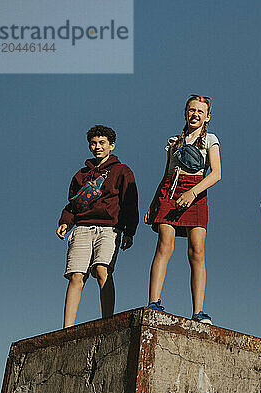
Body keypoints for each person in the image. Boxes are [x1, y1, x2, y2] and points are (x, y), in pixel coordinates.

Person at [145, 94, 221, 324]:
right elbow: (165, 174)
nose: (195, 114)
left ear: (207, 116)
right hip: (170, 190)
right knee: (164, 245)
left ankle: (198, 311)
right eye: (191, 110)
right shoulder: (173, 141)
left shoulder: (211, 140)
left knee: (196, 250)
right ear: (185, 113)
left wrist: (193, 193)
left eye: (200, 111)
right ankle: (154, 302)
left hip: (195, 189)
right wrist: (153, 203)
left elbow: (216, 174)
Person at [57, 125, 139, 328]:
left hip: (109, 228)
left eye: (102, 142)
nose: (97, 147)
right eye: (93, 143)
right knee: (76, 275)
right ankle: (66, 328)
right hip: (82, 227)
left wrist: (129, 231)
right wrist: (65, 222)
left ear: (111, 145)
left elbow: (130, 201)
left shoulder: (122, 171)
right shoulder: (80, 175)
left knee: (102, 270)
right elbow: (73, 203)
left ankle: (107, 323)